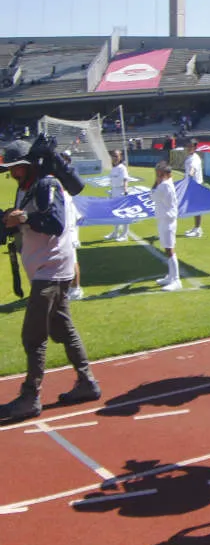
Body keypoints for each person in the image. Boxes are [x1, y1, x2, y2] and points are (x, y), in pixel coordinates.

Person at [0, 140, 101, 422]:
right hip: (47, 269)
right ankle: (87, 382)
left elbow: (54, 224)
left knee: (33, 338)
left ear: (28, 164)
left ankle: (30, 397)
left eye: (16, 167)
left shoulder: (47, 184)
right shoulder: (26, 188)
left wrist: (25, 217)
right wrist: (10, 219)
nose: (12, 173)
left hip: (51, 271)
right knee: (63, 329)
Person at [152, 162, 182, 291]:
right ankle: (170, 276)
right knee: (167, 248)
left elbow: (152, 195)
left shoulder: (164, 186)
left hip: (167, 220)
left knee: (170, 249)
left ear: (166, 174)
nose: (158, 176)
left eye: (160, 174)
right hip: (164, 219)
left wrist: (156, 182)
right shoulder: (166, 184)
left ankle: (176, 280)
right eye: (157, 174)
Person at [60, 150, 85, 301]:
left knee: (72, 259)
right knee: (67, 260)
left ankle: (76, 289)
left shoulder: (69, 178)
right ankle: (71, 288)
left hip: (70, 227)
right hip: (68, 224)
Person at [105, 149, 130, 241]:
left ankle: (124, 234)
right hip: (114, 191)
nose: (115, 158)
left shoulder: (122, 168)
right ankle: (115, 232)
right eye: (113, 156)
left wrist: (125, 190)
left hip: (120, 191)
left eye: (116, 156)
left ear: (120, 157)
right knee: (115, 213)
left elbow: (125, 179)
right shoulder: (114, 168)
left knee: (124, 213)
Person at [184, 139, 205, 238]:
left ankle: (198, 229)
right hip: (192, 185)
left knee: (196, 208)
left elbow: (192, 170)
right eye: (188, 146)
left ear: (195, 148)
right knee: (194, 208)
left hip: (195, 185)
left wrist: (189, 177)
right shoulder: (190, 157)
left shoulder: (195, 159)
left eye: (191, 146)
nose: (188, 148)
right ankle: (196, 227)